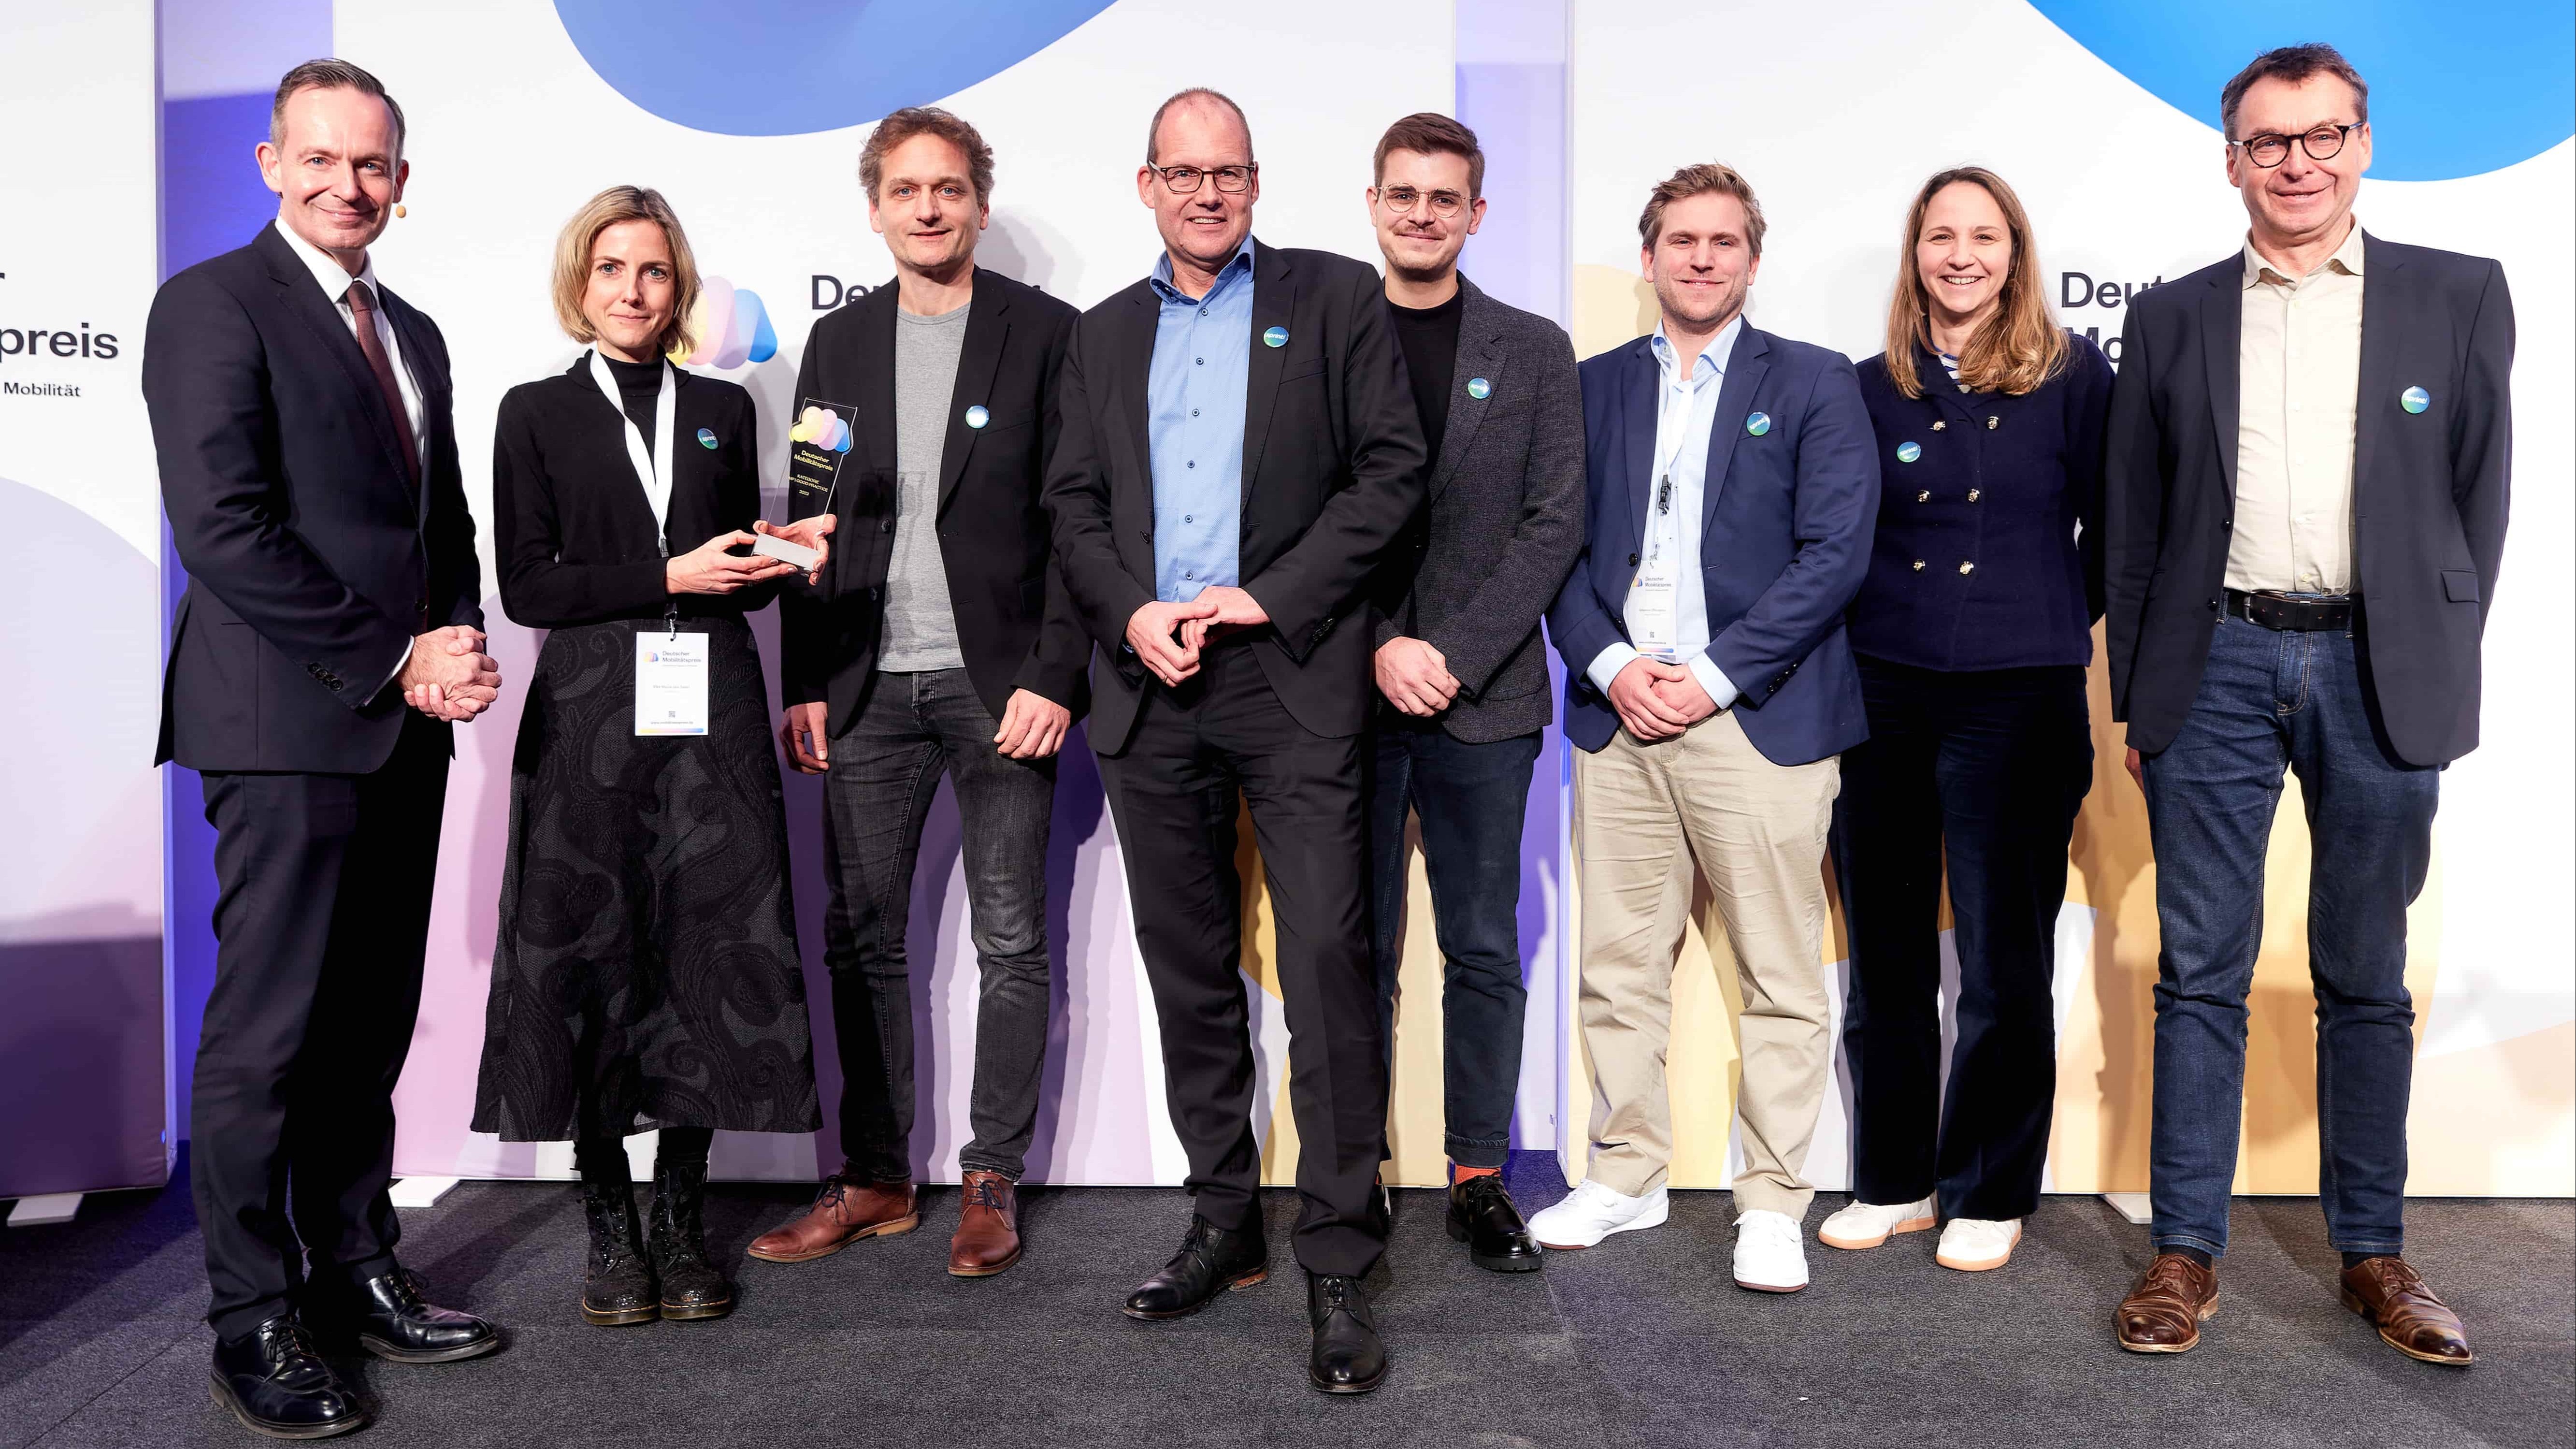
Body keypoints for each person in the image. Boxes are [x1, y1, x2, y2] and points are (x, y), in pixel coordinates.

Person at [2105, 43, 2511, 1364]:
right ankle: (2183, 1252)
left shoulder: (2454, 294)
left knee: (2364, 977)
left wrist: (2434, 646)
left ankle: (2374, 1252)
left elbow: (2475, 495)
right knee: (2198, 970)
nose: (2298, 162)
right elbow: (2132, 519)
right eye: (2269, 141)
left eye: (2322, 135)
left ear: (2362, 143)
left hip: (2378, 667)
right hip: (2211, 663)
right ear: (2229, 158)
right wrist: (2137, 685)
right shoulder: (2168, 315)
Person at [1043, 88, 1426, 1394]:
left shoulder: (1332, 300)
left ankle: (1335, 1246)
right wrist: (1131, 612)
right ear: (1145, 185)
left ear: (1255, 183)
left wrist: (1269, 595)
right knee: (1188, 964)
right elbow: (1074, 504)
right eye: (1183, 174)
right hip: (1152, 683)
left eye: (1230, 173)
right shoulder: (1099, 337)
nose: (1208, 193)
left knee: (1324, 958)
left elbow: (1389, 473)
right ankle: (1220, 1215)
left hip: (1293, 673)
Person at [146, 58, 502, 1440]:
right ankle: (255, 1313)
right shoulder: (212, 305)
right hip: (283, 723)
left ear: (400, 182)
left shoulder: (409, 324)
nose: (346, 184)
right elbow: (225, 530)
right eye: (320, 158)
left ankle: (357, 1265)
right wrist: (394, 655)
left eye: (372, 165)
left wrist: (458, 638)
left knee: (365, 1026)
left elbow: (442, 523)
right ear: (268, 162)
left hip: (402, 727)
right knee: (270, 1035)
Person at [471, 186, 823, 1331]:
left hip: (710, 704)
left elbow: (729, 562)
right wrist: (665, 575)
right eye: (612, 267)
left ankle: (681, 1212)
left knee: (707, 944)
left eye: (656, 271)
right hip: (586, 711)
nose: (633, 289)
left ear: (680, 289)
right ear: (580, 281)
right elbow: (528, 586)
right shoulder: (532, 410)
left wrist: (786, 554)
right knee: (592, 948)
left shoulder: (722, 406)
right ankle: (608, 1221)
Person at [1529, 163, 1877, 1296]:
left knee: (1778, 970)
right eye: (1679, 240)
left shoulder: (1817, 383)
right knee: (1617, 965)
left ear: (1751, 258)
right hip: (1618, 715)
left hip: (1758, 717)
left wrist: (1714, 674)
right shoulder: (1589, 389)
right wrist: (1617, 664)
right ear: (1648, 256)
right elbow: (1555, 551)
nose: (1699, 258)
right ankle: (1625, 1172)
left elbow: (1834, 554)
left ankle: (1774, 1195)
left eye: (1723, 241)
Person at [752, 106, 1086, 1278]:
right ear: (878, 208)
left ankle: (991, 1177)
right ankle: (877, 1176)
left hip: (1002, 687)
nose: (929, 207)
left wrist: (1056, 672)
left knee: (1010, 939)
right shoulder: (835, 344)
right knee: (860, 942)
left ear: (980, 203)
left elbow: (1076, 522)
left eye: (949, 188)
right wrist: (802, 675)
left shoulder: (1047, 334)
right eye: (906, 190)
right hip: (864, 681)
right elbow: (804, 518)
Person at [1818, 168, 2110, 1275]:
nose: (1960, 255)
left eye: (1982, 236)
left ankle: (1988, 1185)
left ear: (2014, 253)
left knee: (1997, 961)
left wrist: (2027, 614)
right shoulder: (1861, 386)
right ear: (1914, 254)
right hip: (1879, 691)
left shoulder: (2076, 376)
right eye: (1940, 236)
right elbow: (1837, 539)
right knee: (1885, 959)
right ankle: (1891, 1178)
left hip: (2019, 694)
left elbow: (2114, 532)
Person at [1357, 113, 1583, 1273]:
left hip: (1484, 697)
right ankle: (1355, 1174)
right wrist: (1382, 644)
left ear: (1476, 214)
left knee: (1482, 949)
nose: (1422, 214)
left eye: (1444, 198)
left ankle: (1475, 1172)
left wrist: (1444, 648)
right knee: (1357, 948)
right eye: (1403, 194)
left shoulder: (1533, 347)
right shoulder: (1323, 334)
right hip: (1343, 695)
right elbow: (1293, 518)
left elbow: (1554, 522)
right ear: (1373, 202)